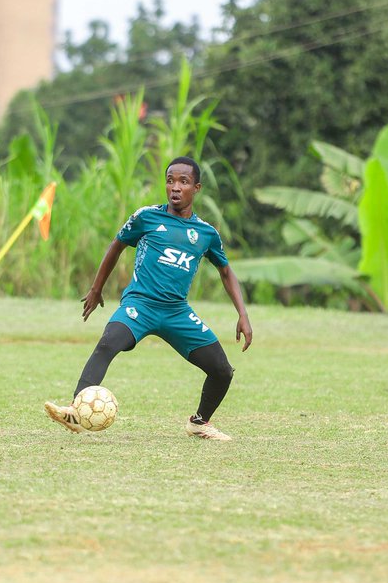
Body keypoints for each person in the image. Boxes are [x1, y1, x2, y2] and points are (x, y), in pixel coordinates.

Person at [44, 156, 253, 441]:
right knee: (108, 342)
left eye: (183, 182)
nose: (175, 187)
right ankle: (76, 410)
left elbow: (226, 271)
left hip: (177, 312)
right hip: (139, 305)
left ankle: (199, 423)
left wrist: (243, 314)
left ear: (197, 188)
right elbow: (116, 245)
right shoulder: (147, 217)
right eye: (170, 181)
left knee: (222, 371)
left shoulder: (206, 233)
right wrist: (96, 288)